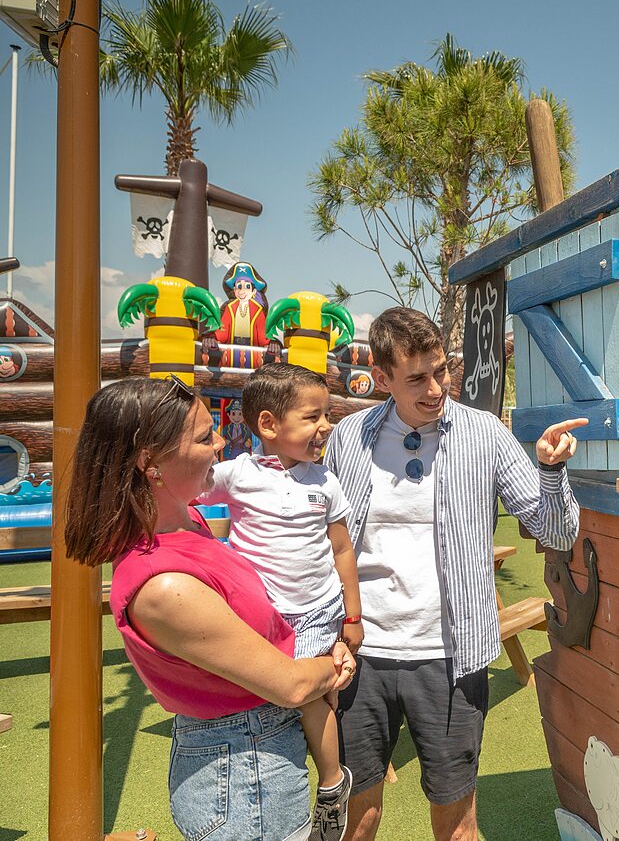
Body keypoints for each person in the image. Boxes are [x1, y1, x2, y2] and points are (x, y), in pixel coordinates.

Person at [325, 307, 586, 841]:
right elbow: (322, 542)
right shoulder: (349, 438)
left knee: (457, 822)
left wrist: (552, 471)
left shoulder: (484, 434)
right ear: (381, 378)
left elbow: (555, 532)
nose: (436, 388)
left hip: (450, 654)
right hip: (359, 655)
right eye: (416, 377)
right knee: (358, 815)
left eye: (441, 371)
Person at [64, 376, 356, 841]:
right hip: (245, 781)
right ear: (150, 462)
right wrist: (333, 665)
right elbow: (290, 684)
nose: (223, 442)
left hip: (257, 758)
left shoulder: (186, 520)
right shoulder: (164, 587)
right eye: (204, 437)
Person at [200, 362, 363, 840]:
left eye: (327, 415)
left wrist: (353, 616)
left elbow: (342, 550)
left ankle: (332, 785)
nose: (325, 426)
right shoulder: (236, 475)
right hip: (261, 614)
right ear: (269, 425)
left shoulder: (325, 482)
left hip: (315, 609)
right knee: (268, 699)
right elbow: (186, 489)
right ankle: (277, 781)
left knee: (314, 697)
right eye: (313, 417)